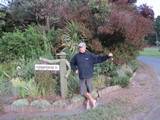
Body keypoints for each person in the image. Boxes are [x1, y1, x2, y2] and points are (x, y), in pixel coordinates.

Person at [70, 42, 113, 109]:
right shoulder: (76, 56)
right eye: (79, 47)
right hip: (82, 76)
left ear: (85, 47)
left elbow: (99, 59)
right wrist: (75, 69)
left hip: (89, 76)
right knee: (83, 91)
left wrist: (107, 56)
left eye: (81, 47)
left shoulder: (89, 55)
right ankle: (93, 101)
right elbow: (71, 63)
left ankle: (87, 104)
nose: (80, 48)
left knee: (89, 90)